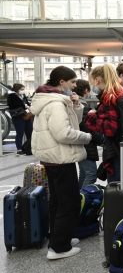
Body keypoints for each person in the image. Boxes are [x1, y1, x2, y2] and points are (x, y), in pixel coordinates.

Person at [30, 66, 92, 259]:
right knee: (69, 202)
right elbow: (64, 133)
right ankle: (59, 247)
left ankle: (58, 237)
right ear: (62, 81)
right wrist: (88, 137)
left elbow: (69, 123)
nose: (74, 86)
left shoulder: (47, 99)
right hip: (61, 158)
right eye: (72, 82)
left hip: (51, 158)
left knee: (57, 201)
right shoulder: (55, 103)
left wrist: (76, 106)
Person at [86, 64, 123, 182]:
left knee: (117, 190)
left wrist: (91, 117)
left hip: (117, 151)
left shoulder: (108, 98)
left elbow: (111, 129)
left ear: (97, 79)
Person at [73, 80, 104, 188]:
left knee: (84, 174)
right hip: (86, 145)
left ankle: (78, 198)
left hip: (80, 143)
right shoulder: (84, 107)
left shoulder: (75, 104)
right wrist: (101, 140)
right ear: (86, 90)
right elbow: (89, 128)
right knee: (91, 174)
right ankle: (83, 199)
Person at [7, 83, 33, 156]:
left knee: (29, 131)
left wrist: (28, 106)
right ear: (17, 89)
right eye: (21, 89)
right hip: (17, 116)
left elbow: (26, 102)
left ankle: (29, 148)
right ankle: (19, 149)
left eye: (23, 89)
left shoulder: (22, 95)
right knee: (20, 133)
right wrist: (24, 105)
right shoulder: (11, 96)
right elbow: (12, 105)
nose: (23, 91)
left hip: (26, 115)